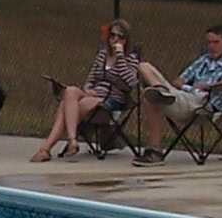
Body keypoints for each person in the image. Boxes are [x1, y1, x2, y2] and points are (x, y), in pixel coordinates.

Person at [32, 20, 141, 163]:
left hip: (110, 102)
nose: (115, 39)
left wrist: (120, 57)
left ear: (127, 40)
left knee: (65, 106)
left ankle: (47, 149)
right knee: (70, 91)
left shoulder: (130, 59)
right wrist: (88, 89)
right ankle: (71, 140)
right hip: (92, 95)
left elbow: (130, 84)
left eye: (120, 37)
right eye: (112, 35)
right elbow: (91, 78)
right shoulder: (102, 55)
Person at [136, 24, 222, 163]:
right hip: (185, 96)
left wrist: (208, 86)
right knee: (143, 66)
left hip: (202, 105)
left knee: (150, 99)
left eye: (216, 42)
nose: (211, 46)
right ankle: (160, 90)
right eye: (209, 42)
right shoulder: (204, 59)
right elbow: (178, 81)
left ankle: (155, 151)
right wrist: (191, 88)